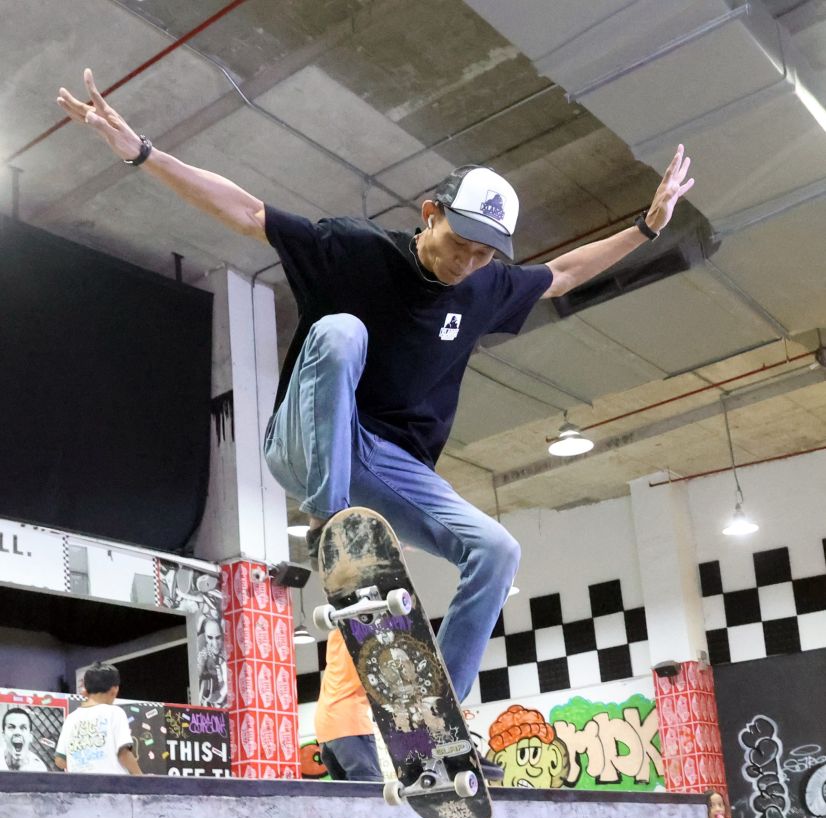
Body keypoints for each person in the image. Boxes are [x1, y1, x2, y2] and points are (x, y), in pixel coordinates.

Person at [57, 70, 694, 706]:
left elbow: (559, 274)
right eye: (460, 244)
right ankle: (331, 524)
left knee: (498, 550)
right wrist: (143, 153)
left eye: (484, 256)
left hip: (392, 468)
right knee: (340, 333)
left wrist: (646, 229)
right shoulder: (353, 249)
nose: (467, 264)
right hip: (307, 441)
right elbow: (248, 211)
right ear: (430, 214)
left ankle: (437, 708)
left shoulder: (484, 288)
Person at [314, 630, 383, 781]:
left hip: (325, 730)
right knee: (369, 790)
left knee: (348, 796)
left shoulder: (335, 636)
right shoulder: (360, 637)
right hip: (349, 724)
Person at [55, 662, 142, 775]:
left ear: (85, 689)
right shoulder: (115, 713)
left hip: (79, 788)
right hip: (113, 787)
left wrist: (87, 768)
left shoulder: (71, 718)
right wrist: (141, 777)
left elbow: (60, 760)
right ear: (114, 690)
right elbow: (124, 754)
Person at [0, 707, 48, 772]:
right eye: (11, 727)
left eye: (23, 728)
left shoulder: (38, 768)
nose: (17, 732)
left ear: (30, 736)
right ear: (3, 735)